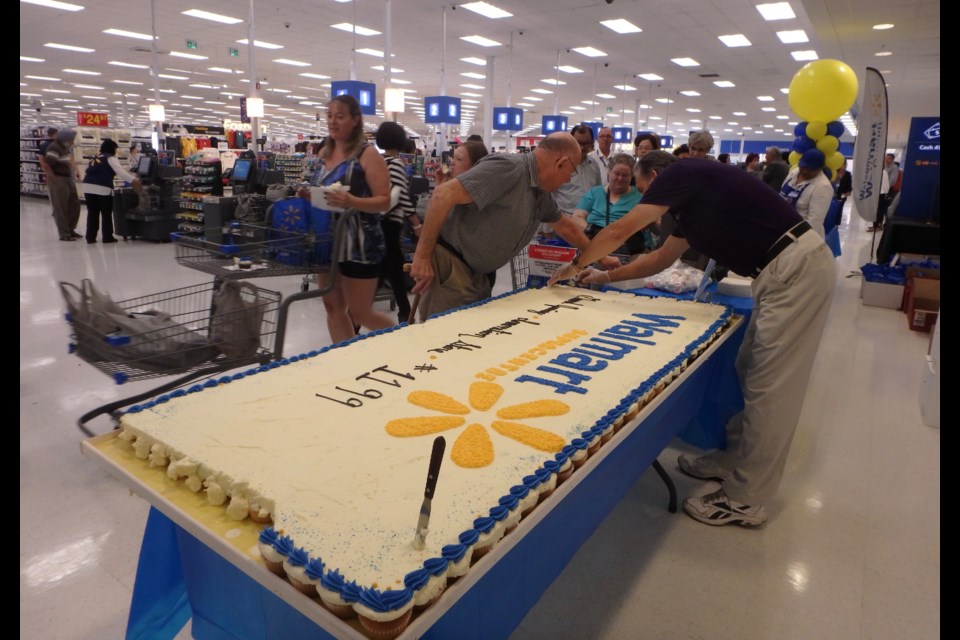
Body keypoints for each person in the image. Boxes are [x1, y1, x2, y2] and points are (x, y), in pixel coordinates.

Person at [549, 151, 836, 528]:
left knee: (771, 388)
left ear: (655, 176)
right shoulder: (693, 206)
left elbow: (620, 231)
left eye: (644, 188)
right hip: (778, 274)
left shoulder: (685, 171)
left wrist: (575, 265)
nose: (646, 200)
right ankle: (735, 458)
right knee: (749, 370)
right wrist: (600, 279)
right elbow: (659, 260)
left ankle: (746, 499)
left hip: (796, 270)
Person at [409, 132, 615, 319]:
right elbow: (442, 195)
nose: (567, 180)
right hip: (452, 267)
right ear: (560, 163)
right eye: (570, 173)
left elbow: (566, 227)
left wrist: (601, 257)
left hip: (479, 274)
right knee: (444, 342)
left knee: (470, 339)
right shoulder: (509, 168)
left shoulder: (540, 192)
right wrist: (422, 256)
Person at [300, 95, 396, 343]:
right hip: (327, 241)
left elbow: (384, 200)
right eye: (330, 116)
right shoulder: (324, 153)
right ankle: (343, 358)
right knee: (332, 307)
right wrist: (310, 196)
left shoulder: (367, 154)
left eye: (340, 116)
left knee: (360, 312)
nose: (333, 121)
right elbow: (325, 196)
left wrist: (352, 201)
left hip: (360, 245)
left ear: (355, 121)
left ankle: (404, 343)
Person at [374, 122, 419, 323]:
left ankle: (404, 311)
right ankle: (404, 313)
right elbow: (402, 197)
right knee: (393, 268)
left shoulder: (375, 163)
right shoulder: (395, 164)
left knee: (391, 268)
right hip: (389, 223)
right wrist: (416, 225)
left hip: (373, 221)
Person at [573, 153, 653, 254]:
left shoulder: (640, 196)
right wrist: (594, 231)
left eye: (625, 175)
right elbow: (577, 218)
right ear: (609, 172)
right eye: (616, 173)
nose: (620, 178)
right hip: (594, 245)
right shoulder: (594, 193)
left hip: (628, 249)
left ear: (631, 176)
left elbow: (651, 222)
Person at [82, 139, 142, 244]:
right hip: (102, 188)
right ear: (112, 149)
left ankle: (90, 237)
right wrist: (133, 180)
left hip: (87, 187)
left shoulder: (96, 157)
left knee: (92, 213)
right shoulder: (110, 158)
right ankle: (107, 237)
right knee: (106, 213)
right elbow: (120, 172)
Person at [779, 149, 834, 238]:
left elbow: (814, 222)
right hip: (782, 228)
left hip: (801, 237)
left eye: (809, 169)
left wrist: (791, 238)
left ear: (820, 168)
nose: (804, 171)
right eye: (803, 166)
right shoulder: (794, 172)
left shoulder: (823, 186)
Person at [552, 124, 603, 216]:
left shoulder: (594, 165)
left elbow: (598, 192)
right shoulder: (559, 164)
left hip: (588, 219)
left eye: (586, 143)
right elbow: (548, 196)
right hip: (564, 219)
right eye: (578, 142)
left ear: (592, 143)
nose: (582, 147)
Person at [45, 129, 83, 241]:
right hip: (58, 178)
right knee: (60, 207)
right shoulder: (54, 147)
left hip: (68, 178)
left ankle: (70, 229)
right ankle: (64, 233)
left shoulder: (65, 147)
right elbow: (47, 164)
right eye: (71, 139)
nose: (72, 142)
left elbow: (68, 161)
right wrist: (53, 179)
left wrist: (75, 171)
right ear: (65, 138)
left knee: (74, 204)